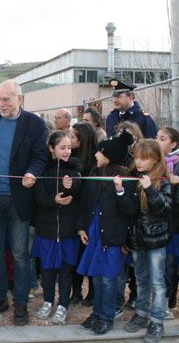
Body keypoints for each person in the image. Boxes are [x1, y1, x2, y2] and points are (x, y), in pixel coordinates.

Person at [0, 79, 47, 326]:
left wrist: (32, 173)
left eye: (6, 99)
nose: (1, 104)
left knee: (20, 253)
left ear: (20, 99)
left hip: (19, 198)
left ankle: (20, 302)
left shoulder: (35, 124)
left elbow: (40, 157)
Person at [77, 131, 137, 335]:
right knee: (96, 278)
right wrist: (82, 227)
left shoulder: (124, 179)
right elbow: (86, 205)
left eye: (99, 152)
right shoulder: (96, 174)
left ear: (109, 156)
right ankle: (97, 312)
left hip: (113, 238)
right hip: (95, 235)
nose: (95, 155)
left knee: (108, 279)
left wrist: (120, 191)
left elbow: (130, 209)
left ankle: (107, 316)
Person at [31, 131, 82, 324]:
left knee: (67, 269)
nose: (67, 151)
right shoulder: (43, 170)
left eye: (69, 147)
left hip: (68, 230)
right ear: (52, 148)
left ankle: (63, 305)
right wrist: (54, 200)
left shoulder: (75, 168)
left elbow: (79, 189)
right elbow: (39, 198)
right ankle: (48, 301)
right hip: (47, 230)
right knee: (47, 269)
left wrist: (70, 186)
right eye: (62, 147)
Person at [124, 139, 172, 343]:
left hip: (156, 241)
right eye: (136, 157)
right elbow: (130, 211)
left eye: (144, 158)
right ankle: (142, 313)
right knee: (140, 279)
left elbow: (164, 209)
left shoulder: (163, 180)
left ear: (155, 160)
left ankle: (157, 320)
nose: (139, 162)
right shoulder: (133, 177)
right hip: (137, 239)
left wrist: (151, 189)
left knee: (157, 282)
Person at [156, 126, 179, 318]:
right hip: (155, 223)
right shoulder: (153, 161)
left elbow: (177, 200)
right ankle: (157, 301)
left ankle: (167, 301)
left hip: (173, 224)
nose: (158, 141)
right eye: (157, 137)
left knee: (169, 265)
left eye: (163, 138)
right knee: (156, 266)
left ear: (174, 144)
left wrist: (173, 183)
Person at [68, 122, 98, 306]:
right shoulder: (69, 158)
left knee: (90, 253)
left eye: (72, 136)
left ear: (83, 140)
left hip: (89, 213)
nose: (69, 139)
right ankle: (76, 291)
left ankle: (93, 292)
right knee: (74, 256)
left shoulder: (95, 163)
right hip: (72, 212)